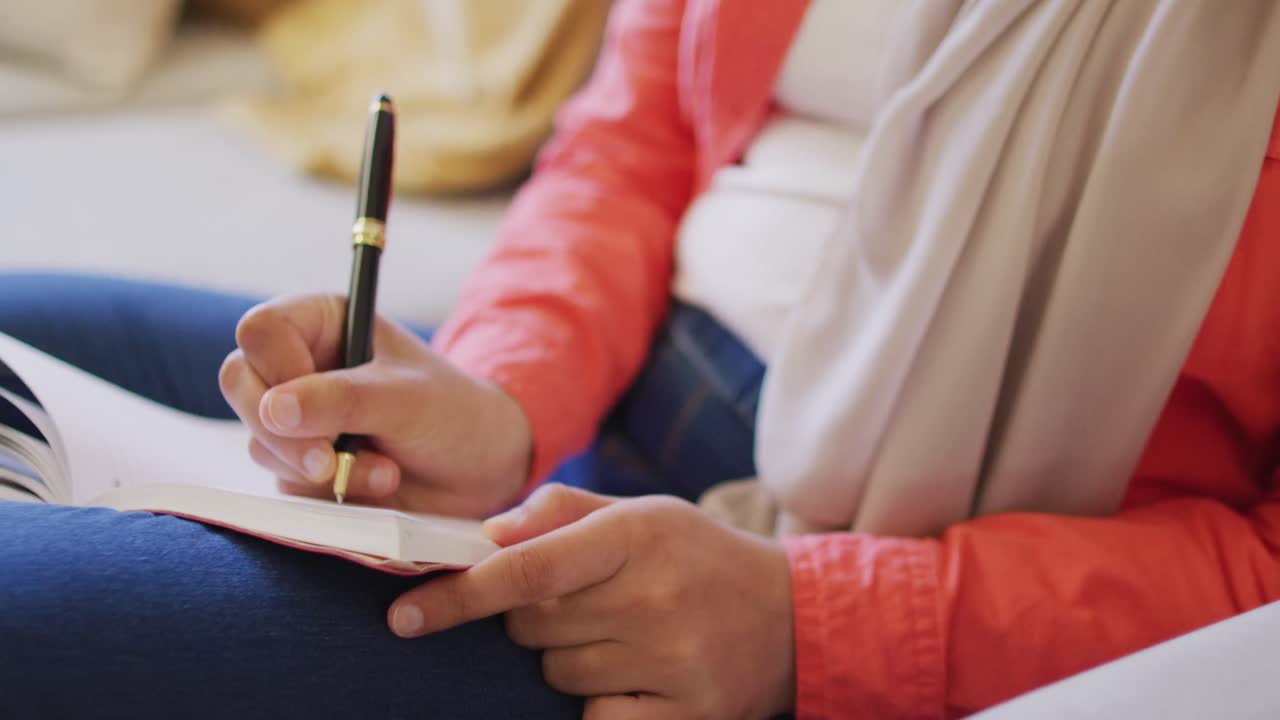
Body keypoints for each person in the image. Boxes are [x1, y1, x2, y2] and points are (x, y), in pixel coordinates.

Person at [4, 0, 1280, 717]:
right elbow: (631, 141)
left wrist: (805, 626)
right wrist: (499, 391)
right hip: (600, 401)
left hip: (846, 579)